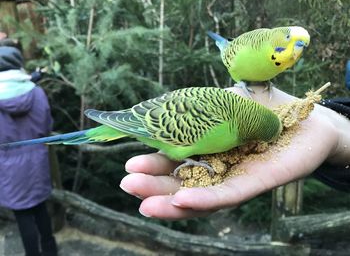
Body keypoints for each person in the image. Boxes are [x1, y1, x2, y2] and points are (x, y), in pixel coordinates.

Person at [119, 85, 350, 219]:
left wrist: (337, 131)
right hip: (148, 124)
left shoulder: (239, 114)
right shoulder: (221, 127)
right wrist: (191, 162)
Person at [0, 44, 58, 255]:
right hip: (37, 162)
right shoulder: (37, 92)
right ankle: (51, 251)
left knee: (22, 216)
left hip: (7, 167)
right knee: (41, 209)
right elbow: (47, 125)